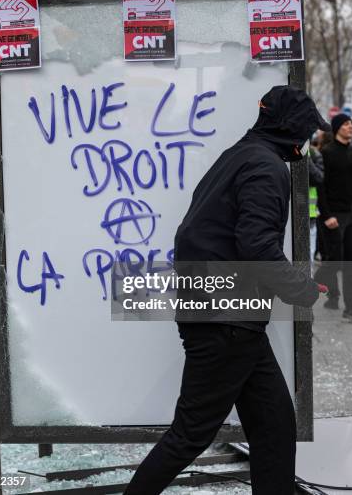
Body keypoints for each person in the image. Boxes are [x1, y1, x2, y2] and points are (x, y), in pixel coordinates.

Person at [124, 85, 329, 495]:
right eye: (307, 133)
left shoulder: (240, 155)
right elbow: (256, 244)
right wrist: (300, 289)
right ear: (293, 132)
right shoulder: (265, 167)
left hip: (231, 317)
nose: (308, 142)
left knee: (274, 429)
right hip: (227, 320)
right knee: (191, 434)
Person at [314, 113, 352, 322]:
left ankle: (350, 307)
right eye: (345, 124)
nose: (350, 127)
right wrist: (326, 214)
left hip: (349, 214)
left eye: (351, 123)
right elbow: (320, 186)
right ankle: (307, 287)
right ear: (336, 128)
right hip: (332, 215)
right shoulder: (327, 152)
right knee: (334, 261)